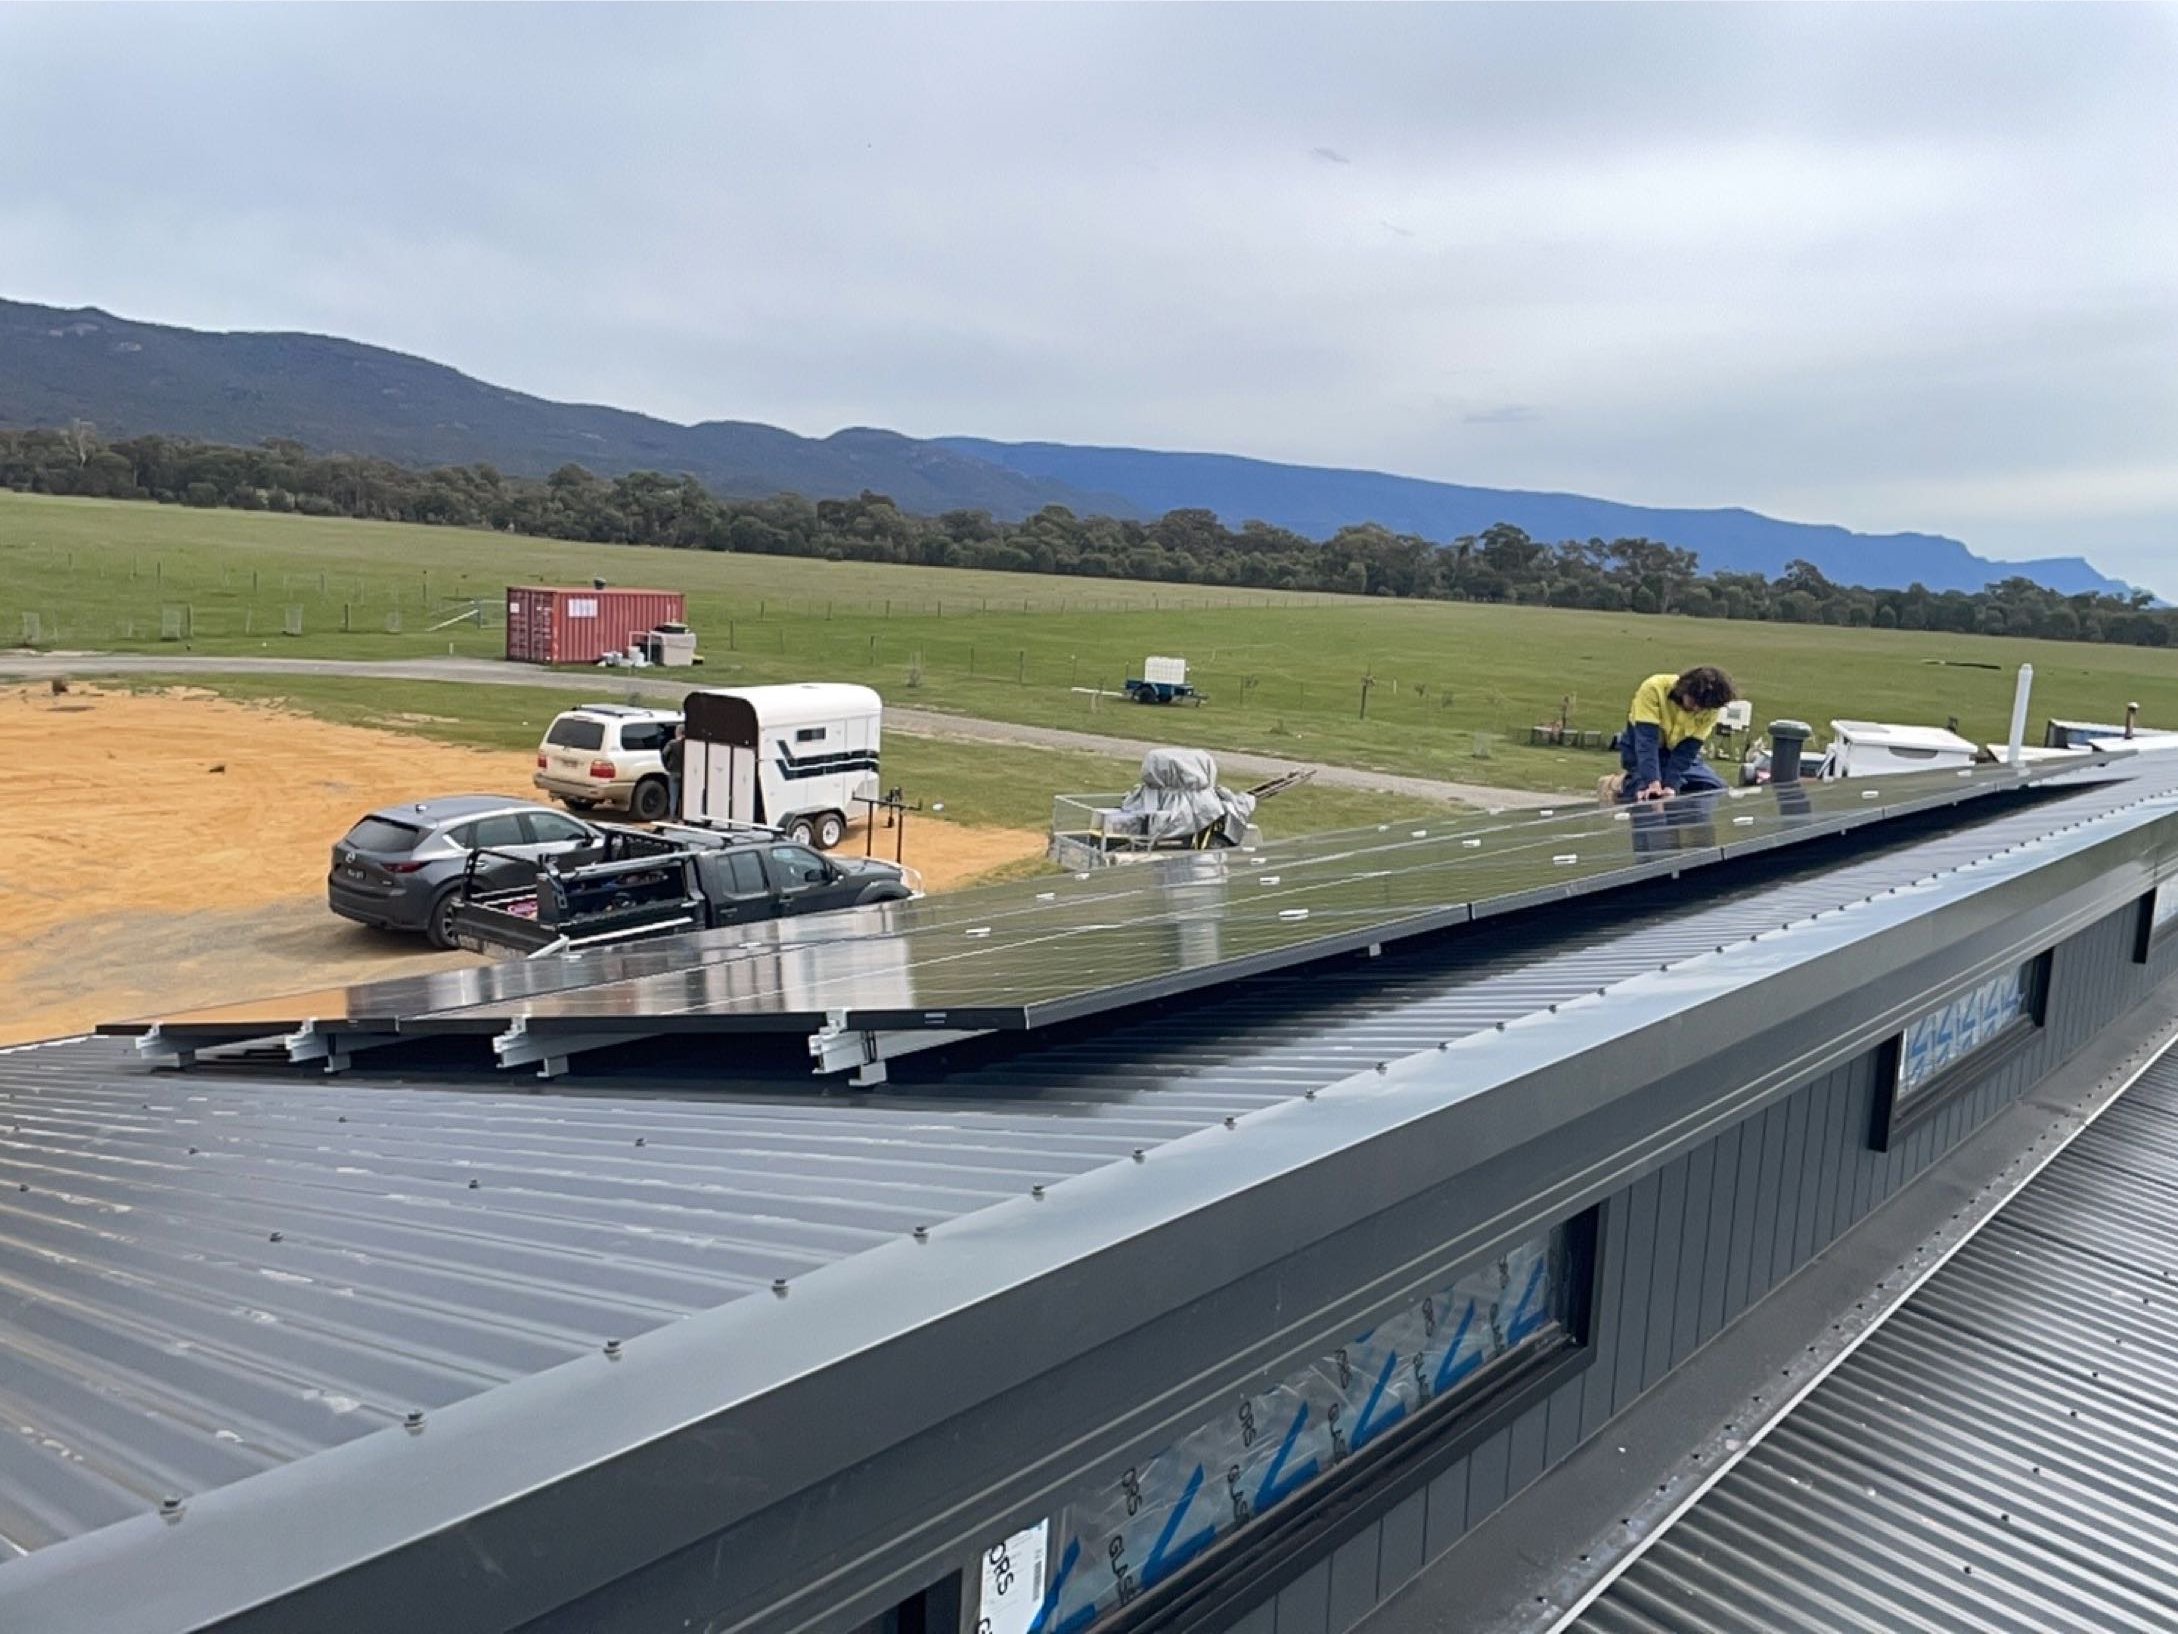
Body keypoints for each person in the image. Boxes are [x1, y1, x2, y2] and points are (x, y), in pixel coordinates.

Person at [1617, 666, 1736, 803]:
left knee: (1714, 787)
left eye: (1703, 707)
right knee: (1646, 794)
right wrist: (1652, 782)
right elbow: (1646, 741)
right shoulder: (1654, 688)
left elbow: (1688, 750)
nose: (1696, 709)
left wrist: (1671, 785)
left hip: (1675, 752)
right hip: (1640, 750)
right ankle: (1619, 783)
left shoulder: (1710, 707)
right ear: (1685, 689)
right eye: (1694, 702)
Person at [660, 723, 686, 820]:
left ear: (677, 732)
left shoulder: (672, 743)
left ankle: (672, 816)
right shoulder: (687, 743)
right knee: (684, 796)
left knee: (673, 795)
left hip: (674, 772)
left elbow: (664, 754)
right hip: (685, 773)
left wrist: (666, 766)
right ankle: (683, 816)